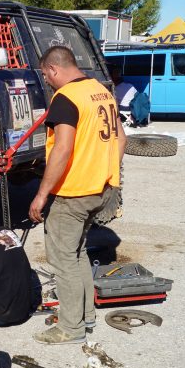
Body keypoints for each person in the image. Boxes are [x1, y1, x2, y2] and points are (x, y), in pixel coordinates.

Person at [28, 46, 126, 345]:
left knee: (63, 260)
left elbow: (63, 147)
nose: (46, 81)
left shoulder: (66, 98)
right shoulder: (101, 91)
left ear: (54, 69)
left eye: (45, 75)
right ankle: (85, 316)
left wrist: (42, 194)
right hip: (99, 188)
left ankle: (71, 329)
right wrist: (110, 174)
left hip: (72, 192)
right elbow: (121, 137)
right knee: (78, 252)